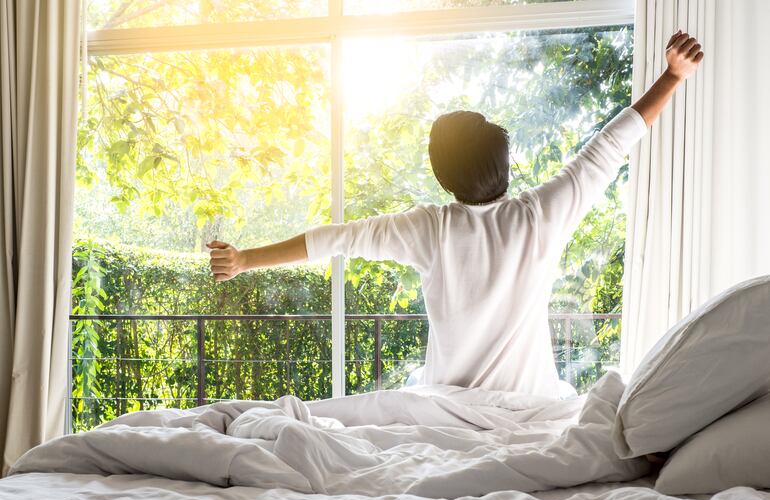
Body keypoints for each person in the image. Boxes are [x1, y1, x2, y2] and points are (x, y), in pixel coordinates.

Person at [208, 31, 704, 398]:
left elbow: (334, 238)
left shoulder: (430, 228)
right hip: (529, 413)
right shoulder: (542, 215)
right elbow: (610, 145)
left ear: (444, 179)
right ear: (505, 163)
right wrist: (672, 76)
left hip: (444, 413)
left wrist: (247, 259)